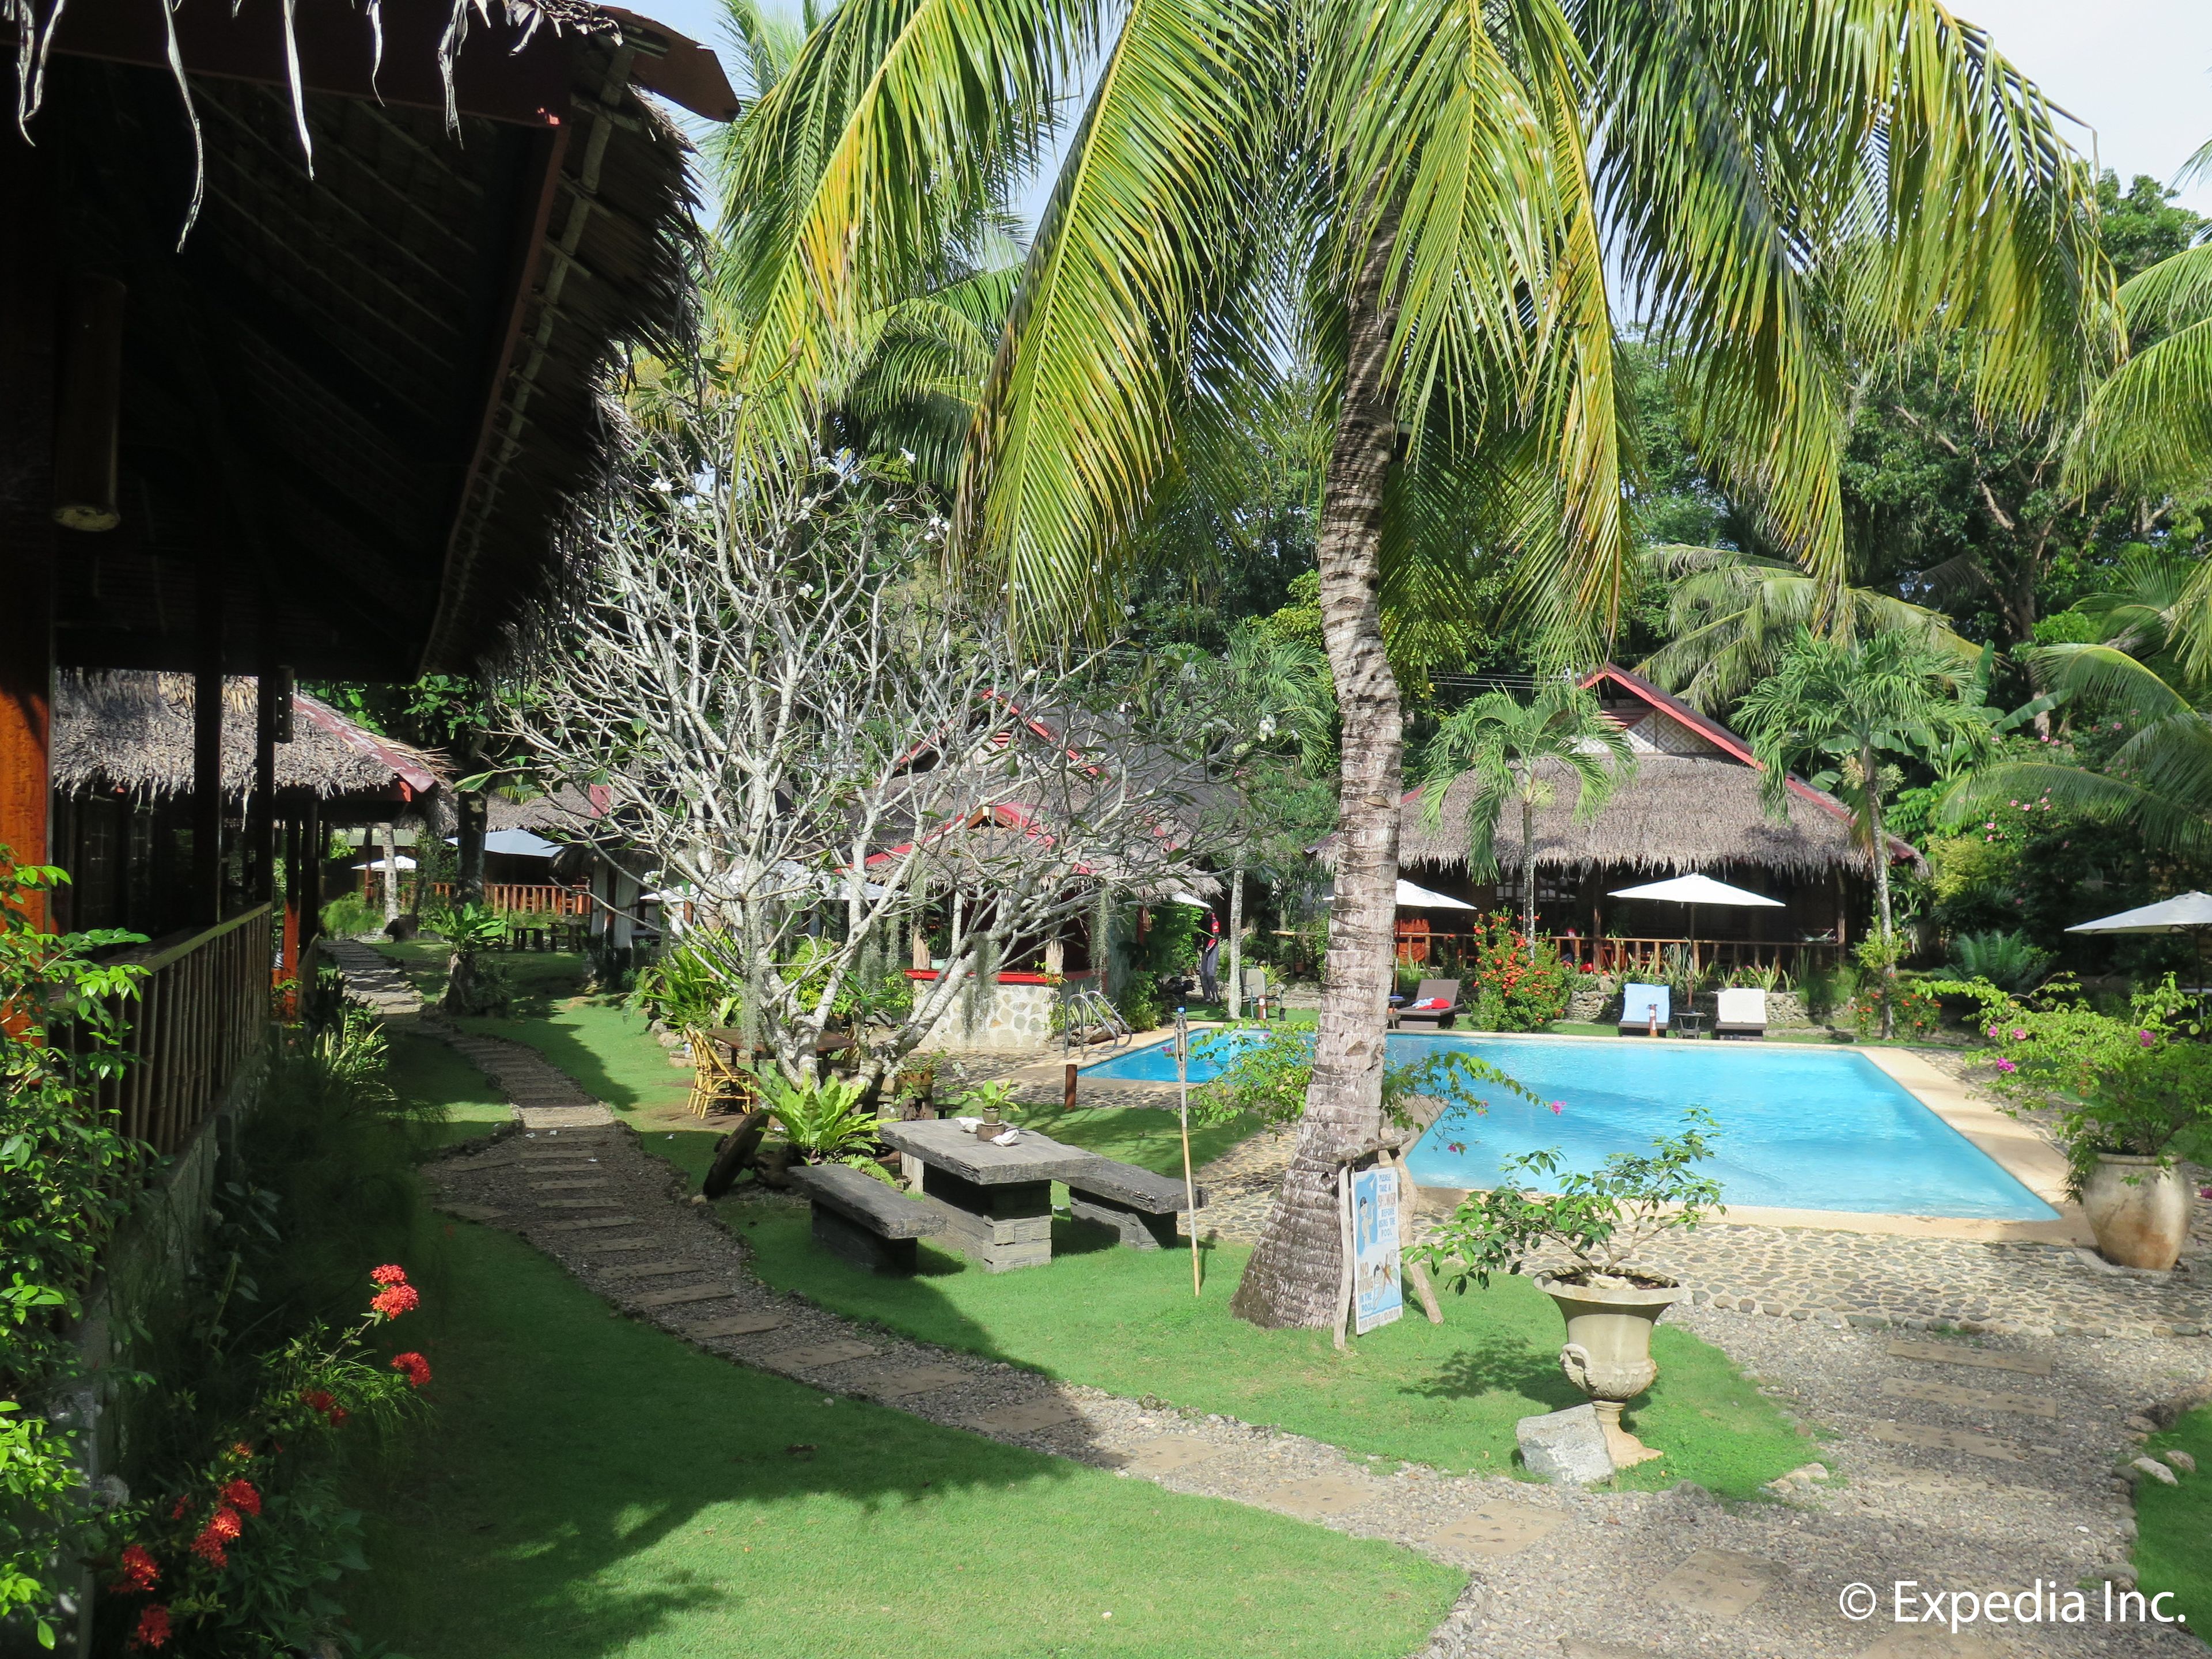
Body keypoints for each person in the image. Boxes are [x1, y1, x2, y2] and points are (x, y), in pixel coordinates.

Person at [1198, 907, 1222, 1002]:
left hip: (1213, 949)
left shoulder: (1214, 921)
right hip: (1206, 948)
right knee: (1203, 973)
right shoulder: (1202, 921)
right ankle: (1207, 997)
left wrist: (1208, 948)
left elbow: (1215, 938)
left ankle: (1216, 997)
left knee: (1210, 974)